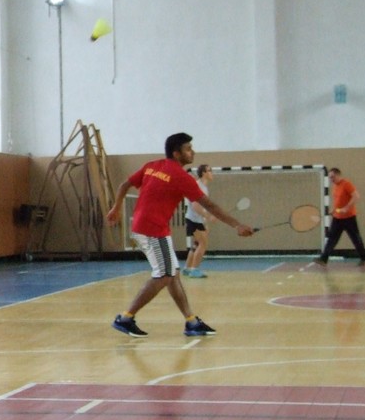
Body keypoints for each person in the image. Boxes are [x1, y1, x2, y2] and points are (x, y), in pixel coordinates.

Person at [105, 133, 254, 338]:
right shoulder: (181, 177)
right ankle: (125, 317)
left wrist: (116, 208)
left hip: (153, 228)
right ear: (176, 153)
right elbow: (209, 205)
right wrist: (236, 225)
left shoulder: (152, 166)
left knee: (172, 274)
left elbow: (124, 184)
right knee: (164, 275)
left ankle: (191, 322)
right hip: (150, 229)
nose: (193, 152)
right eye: (188, 149)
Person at [313, 167, 365, 266]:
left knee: (356, 239)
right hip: (337, 218)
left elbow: (356, 196)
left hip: (349, 218)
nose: (331, 179)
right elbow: (338, 202)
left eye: (332, 177)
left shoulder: (346, 184)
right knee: (331, 239)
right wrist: (334, 210)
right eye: (330, 177)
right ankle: (323, 259)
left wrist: (347, 208)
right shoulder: (335, 187)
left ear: (338, 175)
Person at [183, 164, 214, 278]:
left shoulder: (204, 187)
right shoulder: (199, 187)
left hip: (196, 220)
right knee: (203, 243)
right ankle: (194, 270)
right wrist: (208, 217)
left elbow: (202, 206)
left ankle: (187, 268)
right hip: (193, 219)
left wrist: (205, 221)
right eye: (209, 170)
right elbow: (195, 206)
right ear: (204, 173)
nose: (212, 173)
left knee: (196, 244)